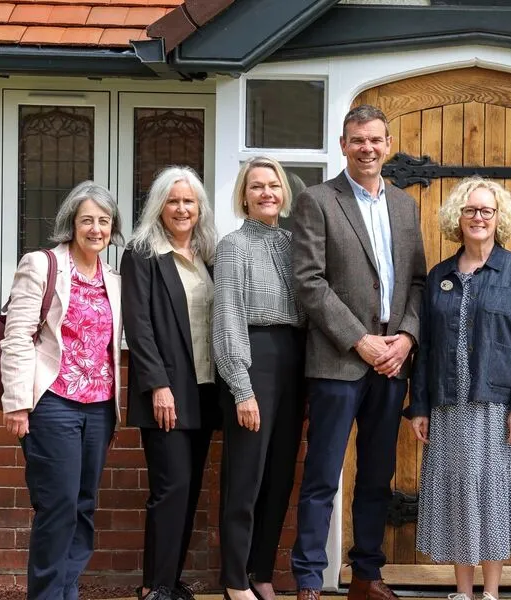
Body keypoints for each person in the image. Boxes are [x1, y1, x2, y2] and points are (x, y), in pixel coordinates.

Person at [289, 104, 427, 600]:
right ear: (343, 144)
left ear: (388, 145)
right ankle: (308, 579)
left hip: (392, 363)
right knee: (323, 474)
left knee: (376, 477)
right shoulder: (317, 201)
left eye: (375, 140)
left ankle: (367, 576)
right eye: (357, 140)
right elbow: (309, 282)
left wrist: (406, 338)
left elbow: (416, 280)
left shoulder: (407, 207)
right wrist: (360, 340)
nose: (367, 148)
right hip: (337, 361)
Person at [406, 178, 511, 600]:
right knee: (458, 497)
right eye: (470, 210)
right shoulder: (439, 276)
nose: (478, 218)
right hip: (449, 406)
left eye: (487, 211)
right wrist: (419, 406)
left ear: (499, 218)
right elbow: (425, 347)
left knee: (492, 497)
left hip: (499, 409)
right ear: (457, 218)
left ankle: (491, 592)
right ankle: (462, 592)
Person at [0, 181, 124, 600]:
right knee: (57, 508)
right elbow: (16, 336)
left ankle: (66, 590)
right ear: (71, 223)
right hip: (53, 404)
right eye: (87, 219)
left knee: (84, 506)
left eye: (104, 221)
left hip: (100, 407)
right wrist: (17, 403)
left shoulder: (113, 279)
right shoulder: (42, 265)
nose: (96, 229)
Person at [121, 166, 220, 600]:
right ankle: (153, 586)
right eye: (173, 201)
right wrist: (157, 385)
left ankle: (170, 581)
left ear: (199, 208)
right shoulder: (142, 253)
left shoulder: (208, 255)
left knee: (190, 487)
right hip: (166, 392)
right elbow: (138, 327)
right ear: (159, 206)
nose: (181, 209)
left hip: (205, 389)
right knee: (171, 487)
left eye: (189, 202)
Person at [212, 157, 306, 600]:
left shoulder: (294, 243)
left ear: (284, 192)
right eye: (256, 187)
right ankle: (234, 580)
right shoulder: (233, 245)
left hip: (293, 361)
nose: (266, 193)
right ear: (244, 195)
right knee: (246, 475)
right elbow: (227, 314)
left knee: (280, 474)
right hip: (254, 358)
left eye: (273, 185)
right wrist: (241, 387)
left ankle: (261, 573)